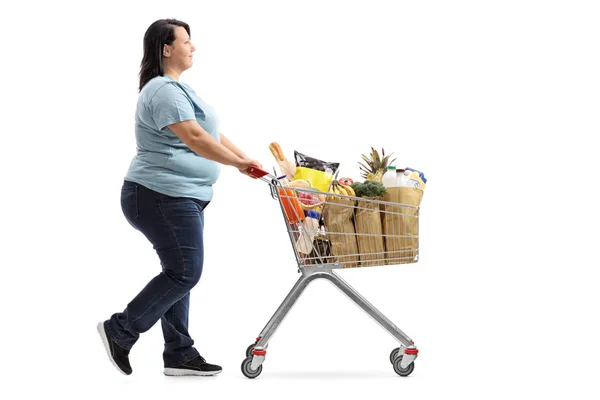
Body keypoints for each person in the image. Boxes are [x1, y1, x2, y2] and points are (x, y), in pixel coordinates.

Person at [97, 18, 262, 377]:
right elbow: (195, 139)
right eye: (186, 41)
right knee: (185, 272)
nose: (193, 47)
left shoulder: (178, 90)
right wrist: (237, 163)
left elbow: (210, 132)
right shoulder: (163, 91)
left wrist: (241, 162)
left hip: (179, 196)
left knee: (177, 272)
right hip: (160, 195)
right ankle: (121, 329)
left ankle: (178, 353)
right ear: (166, 49)